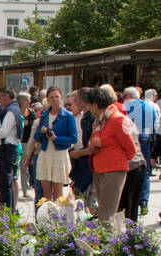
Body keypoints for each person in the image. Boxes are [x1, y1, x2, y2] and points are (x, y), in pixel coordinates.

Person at [85, 86, 139, 222]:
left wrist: (116, 160)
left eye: (89, 105)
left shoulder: (117, 119)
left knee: (106, 213)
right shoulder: (101, 121)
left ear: (96, 105)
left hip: (113, 170)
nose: (88, 109)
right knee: (103, 209)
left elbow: (131, 149)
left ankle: (106, 241)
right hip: (100, 169)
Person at [23, 87, 77, 203]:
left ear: (61, 97)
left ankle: (58, 219)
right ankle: (46, 219)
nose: (54, 99)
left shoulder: (68, 116)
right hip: (45, 153)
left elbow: (73, 138)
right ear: (47, 99)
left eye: (57, 96)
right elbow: (36, 138)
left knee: (58, 194)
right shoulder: (44, 115)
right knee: (46, 194)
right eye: (51, 97)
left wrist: (56, 139)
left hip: (60, 154)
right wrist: (41, 131)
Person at [123, 86, 158, 215]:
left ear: (128, 96)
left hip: (131, 140)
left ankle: (129, 201)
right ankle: (143, 201)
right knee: (145, 171)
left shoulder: (125, 106)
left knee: (131, 170)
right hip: (146, 140)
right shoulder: (150, 106)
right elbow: (156, 126)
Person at [0, 87, 22, 211]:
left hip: (8, 149)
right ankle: (8, 210)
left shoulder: (10, 111)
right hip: (9, 149)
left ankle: (7, 210)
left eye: (0, 97)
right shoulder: (13, 109)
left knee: (4, 183)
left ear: (7, 96)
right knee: (6, 181)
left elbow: (4, 132)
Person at [67, 90, 95, 205]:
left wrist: (80, 153)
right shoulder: (70, 116)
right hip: (75, 156)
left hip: (86, 157)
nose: (68, 107)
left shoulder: (88, 117)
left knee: (89, 195)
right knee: (77, 192)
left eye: (71, 104)